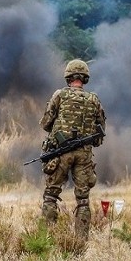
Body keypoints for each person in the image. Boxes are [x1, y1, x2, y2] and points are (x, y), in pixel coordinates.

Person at [39, 59, 106, 241]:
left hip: (61, 152)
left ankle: (45, 240)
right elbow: (100, 134)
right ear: (85, 78)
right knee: (83, 200)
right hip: (84, 154)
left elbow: (46, 124)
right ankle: (81, 242)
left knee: (51, 195)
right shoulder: (93, 99)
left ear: (68, 77)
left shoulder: (59, 95)